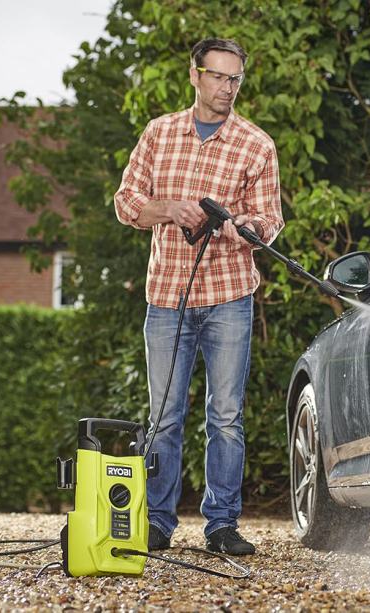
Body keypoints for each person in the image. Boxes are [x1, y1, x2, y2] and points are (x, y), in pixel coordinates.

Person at [113, 38, 283, 556]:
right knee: (163, 415)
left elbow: (270, 221)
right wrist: (171, 208)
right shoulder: (159, 133)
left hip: (229, 295)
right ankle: (157, 523)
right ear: (195, 75)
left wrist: (240, 225)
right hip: (167, 296)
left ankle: (221, 525)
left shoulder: (257, 145)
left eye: (235, 79)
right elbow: (126, 203)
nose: (227, 88)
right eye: (218, 77)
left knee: (226, 415)